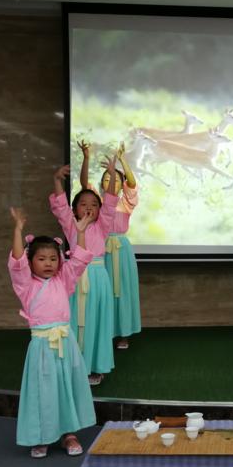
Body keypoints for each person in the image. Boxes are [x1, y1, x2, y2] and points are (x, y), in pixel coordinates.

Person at [7, 206, 97, 458]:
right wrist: (17, 230)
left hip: (65, 344)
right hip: (42, 347)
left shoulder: (64, 280)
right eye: (41, 259)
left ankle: (69, 434)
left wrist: (80, 232)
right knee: (43, 390)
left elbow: (78, 261)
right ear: (30, 261)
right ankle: (42, 435)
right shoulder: (25, 285)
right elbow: (16, 263)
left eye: (53, 259)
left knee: (66, 387)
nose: (48, 263)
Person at [50, 155, 119, 386]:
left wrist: (112, 175)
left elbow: (110, 204)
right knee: (73, 321)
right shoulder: (70, 225)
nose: (89, 207)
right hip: (74, 277)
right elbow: (60, 206)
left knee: (96, 321)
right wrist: (57, 180)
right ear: (75, 209)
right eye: (83, 204)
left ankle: (95, 367)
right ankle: (74, 365)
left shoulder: (103, 226)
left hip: (98, 279)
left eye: (94, 204)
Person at [78, 140, 141, 350]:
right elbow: (83, 183)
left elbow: (132, 182)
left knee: (122, 290)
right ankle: (104, 333)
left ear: (121, 184)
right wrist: (86, 158)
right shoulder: (96, 200)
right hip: (100, 250)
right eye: (106, 179)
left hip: (121, 250)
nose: (110, 182)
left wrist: (122, 160)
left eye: (113, 179)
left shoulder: (126, 202)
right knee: (102, 291)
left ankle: (123, 333)